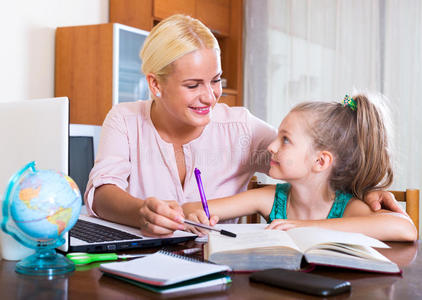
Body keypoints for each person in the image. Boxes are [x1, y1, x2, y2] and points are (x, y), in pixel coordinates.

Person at [84, 14, 402, 237]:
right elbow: (102, 194)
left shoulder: (241, 128)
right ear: (155, 85)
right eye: (193, 85)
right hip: (134, 257)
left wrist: (365, 187)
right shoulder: (124, 119)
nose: (210, 96)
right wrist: (142, 211)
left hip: (213, 264)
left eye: (216, 80)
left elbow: (313, 162)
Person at [183, 93, 417, 241]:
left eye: (285, 139)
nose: (271, 147)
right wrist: (197, 215)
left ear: (320, 161)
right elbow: (192, 209)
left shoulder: (347, 207)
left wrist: (303, 227)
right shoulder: (271, 198)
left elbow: (405, 229)